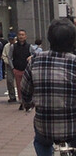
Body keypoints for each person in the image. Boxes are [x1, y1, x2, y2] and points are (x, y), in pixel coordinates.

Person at [21, 19, 76, 156]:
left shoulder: (35, 60)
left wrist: (27, 103)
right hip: (73, 125)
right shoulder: (74, 62)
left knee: (41, 143)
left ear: (49, 38)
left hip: (45, 125)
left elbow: (25, 89)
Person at [12, 28, 32, 110]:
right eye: (20, 35)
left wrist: (31, 57)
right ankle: (21, 102)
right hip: (17, 69)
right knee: (19, 87)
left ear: (25, 36)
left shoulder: (29, 46)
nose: (21, 36)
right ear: (17, 36)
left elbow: (35, 55)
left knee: (28, 87)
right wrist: (13, 68)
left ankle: (28, 102)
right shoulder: (13, 46)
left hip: (27, 70)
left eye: (23, 35)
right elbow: (9, 57)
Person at [1, 33, 17, 102]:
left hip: (18, 65)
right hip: (9, 66)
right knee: (9, 81)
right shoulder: (6, 46)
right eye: (10, 39)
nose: (11, 41)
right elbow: (3, 55)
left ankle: (23, 97)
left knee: (21, 81)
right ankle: (12, 96)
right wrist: (8, 62)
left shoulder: (18, 45)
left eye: (12, 39)